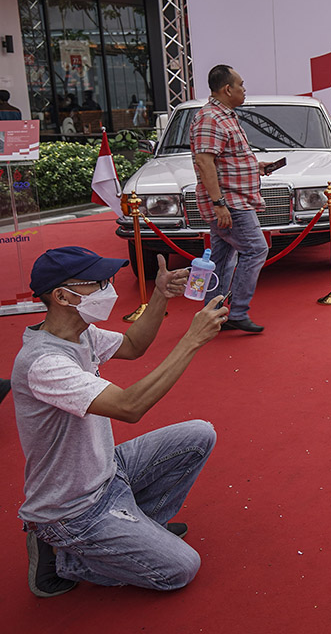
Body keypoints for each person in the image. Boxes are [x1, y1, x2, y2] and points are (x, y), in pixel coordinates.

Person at [13, 246, 226, 597]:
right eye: (97, 283)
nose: (107, 289)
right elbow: (130, 406)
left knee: (199, 435)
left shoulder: (80, 332)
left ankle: (137, 528)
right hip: (74, 507)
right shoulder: (44, 363)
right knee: (181, 568)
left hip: (109, 470)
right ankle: (63, 557)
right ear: (63, 297)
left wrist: (160, 295)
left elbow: (133, 344)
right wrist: (192, 340)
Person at [189, 64, 269, 333]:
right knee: (256, 250)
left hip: (232, 201)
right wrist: (219, 203)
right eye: (241, 85)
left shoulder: (222, 116)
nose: (244, 90)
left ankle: (214, 312)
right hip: (231, 203)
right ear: (227, 89)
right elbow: (204, 162)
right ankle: (236, 311)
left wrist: (255, 167)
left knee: (222, 258)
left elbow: (223, 160)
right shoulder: (211, 118)